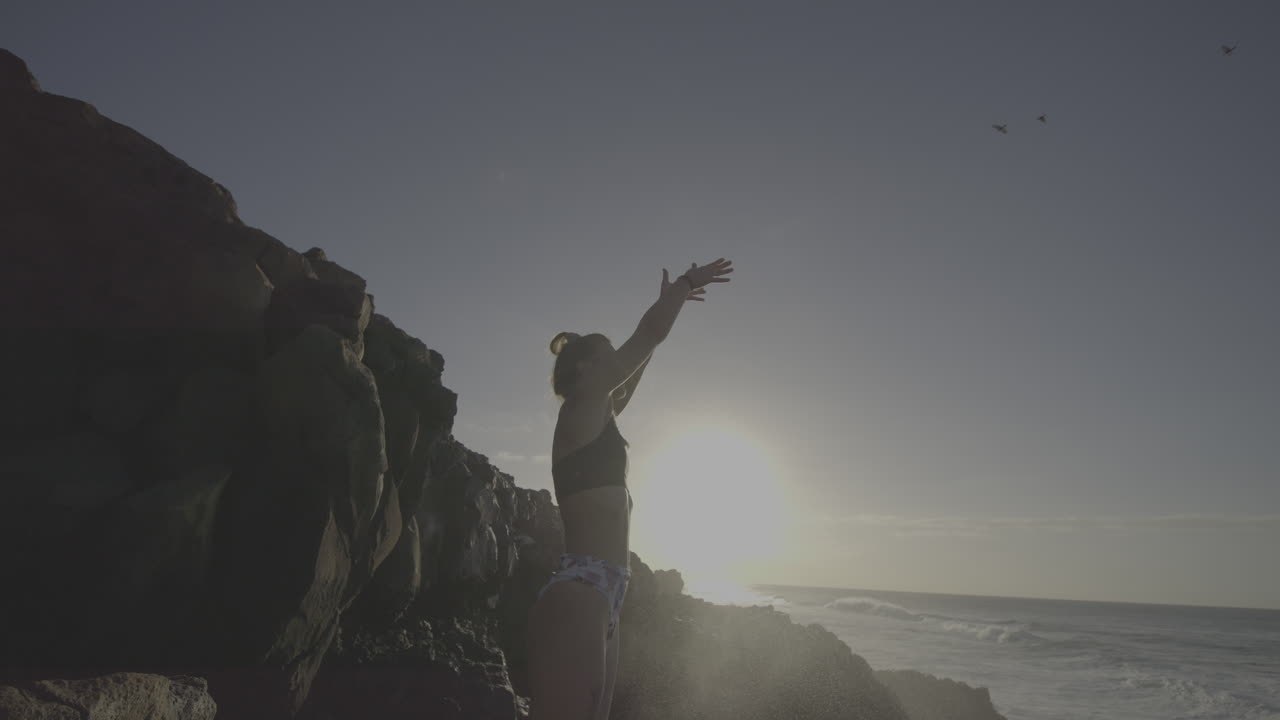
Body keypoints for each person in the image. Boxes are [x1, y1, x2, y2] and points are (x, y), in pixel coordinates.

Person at [526, 258, 734, 720]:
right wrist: (680, 289)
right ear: (582, 370)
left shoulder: (599, 418)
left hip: (608, 594)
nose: (617, 361)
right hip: (579, 590)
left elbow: (640, 356)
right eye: (608, 355)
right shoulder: (578, 410)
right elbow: (646, 337)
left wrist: (664, 316)